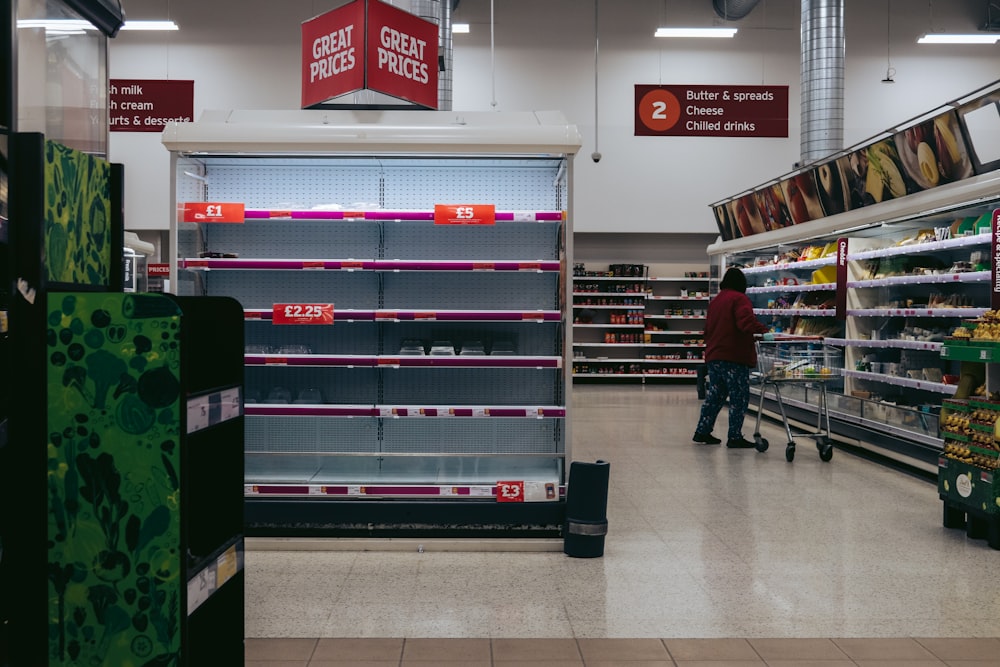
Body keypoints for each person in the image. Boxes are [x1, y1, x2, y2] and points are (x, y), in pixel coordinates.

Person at [693, 267, 769, 448]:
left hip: (715, 356)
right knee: (739, 396)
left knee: (716, 395)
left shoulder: (717, 300)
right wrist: (763, 331)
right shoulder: (739, 299)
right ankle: (734, 436)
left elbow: (707, 330)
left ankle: (702, 431)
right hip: (733, 356)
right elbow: (745, 322)